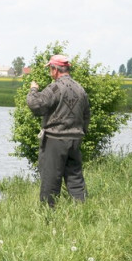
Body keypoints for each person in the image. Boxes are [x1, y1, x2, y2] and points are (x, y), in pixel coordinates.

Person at [26, 54, 91, 207]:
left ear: (55, 70)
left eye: (50, 68)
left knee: (50, 180)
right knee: (75, 179)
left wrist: (33, 90)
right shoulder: (80, 88)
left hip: (55, 140)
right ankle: (82, 211)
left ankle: (49, 216)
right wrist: (82, 132)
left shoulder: (55, 87)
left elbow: (36, 105)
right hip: (75, 139)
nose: (50, 72)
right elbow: (87, 114)